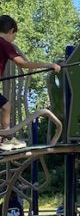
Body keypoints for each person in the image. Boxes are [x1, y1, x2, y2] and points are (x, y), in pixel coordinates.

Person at [0, 15, 61, 151]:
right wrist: (48, 65)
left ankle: (4, 137)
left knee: (5, 105)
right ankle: (5, 137)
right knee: (6, 105)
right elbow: (23, 63)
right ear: (11, 31)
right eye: (14, 36)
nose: (13, 39)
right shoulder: (4, 44)